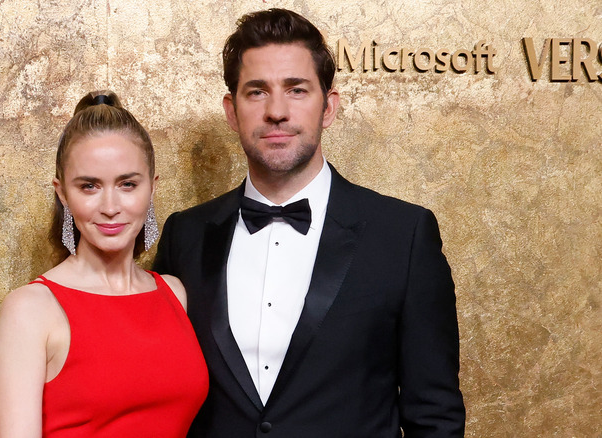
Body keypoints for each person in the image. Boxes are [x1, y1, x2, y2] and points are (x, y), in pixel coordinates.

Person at [153, 8, 465, 437]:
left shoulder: (404, 236)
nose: (277, 111)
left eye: (297, 90)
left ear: (329, 106)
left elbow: (435, 416)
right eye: (257, 92)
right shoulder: (184, 235)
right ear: (232, 110)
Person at [0, 91, 208, 437]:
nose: (110, 206)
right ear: (63, 193)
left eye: (127, 184)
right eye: (89, 186)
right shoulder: (30, 309)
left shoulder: (174, 293)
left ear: (151, 188)